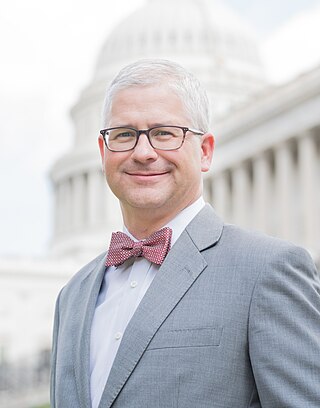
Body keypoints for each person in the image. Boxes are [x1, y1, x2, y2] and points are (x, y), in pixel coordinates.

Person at [50, 59, 320, 408]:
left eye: (164, 133)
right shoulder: (72, 295)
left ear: (205, 151)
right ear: (104, 153)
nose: (143, 153)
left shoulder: (268, 272)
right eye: (124, 135)